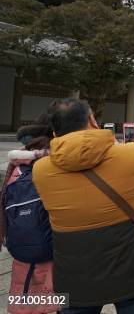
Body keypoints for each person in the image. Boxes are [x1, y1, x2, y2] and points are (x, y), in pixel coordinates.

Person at [32, 99, 134, 313]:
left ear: (54, 132)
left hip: (73, 269)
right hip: (132, 261)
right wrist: (124, 149)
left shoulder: (40, 170)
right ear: (93, 121)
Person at [0, 113, 57, 314]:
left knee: (27, 295)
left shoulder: (18, 160)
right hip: (53, 252)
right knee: (55, 299)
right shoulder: (56, 161)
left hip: (22, 251)